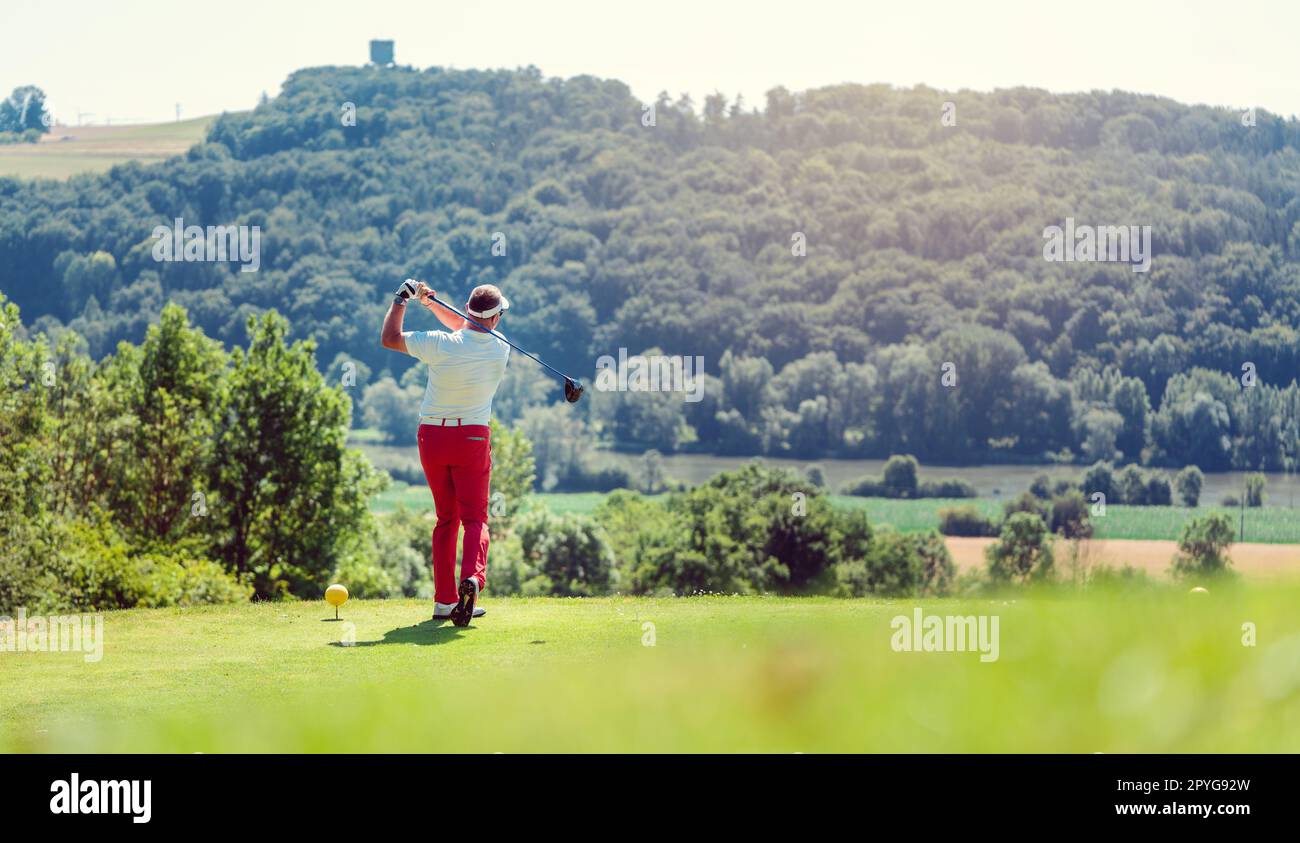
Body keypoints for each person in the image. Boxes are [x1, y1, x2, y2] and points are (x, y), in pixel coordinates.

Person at [380, 280, 511, 627]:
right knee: (475, 519)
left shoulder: (439, 344)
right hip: (471, 438)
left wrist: (403, 301)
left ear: (467, 309)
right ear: (495, 319)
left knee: (445, 519)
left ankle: (444, 601)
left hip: (432, 438)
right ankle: (472, 579)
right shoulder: (501, 347)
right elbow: (470, 330)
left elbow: (390, 338)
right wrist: (434, 304)